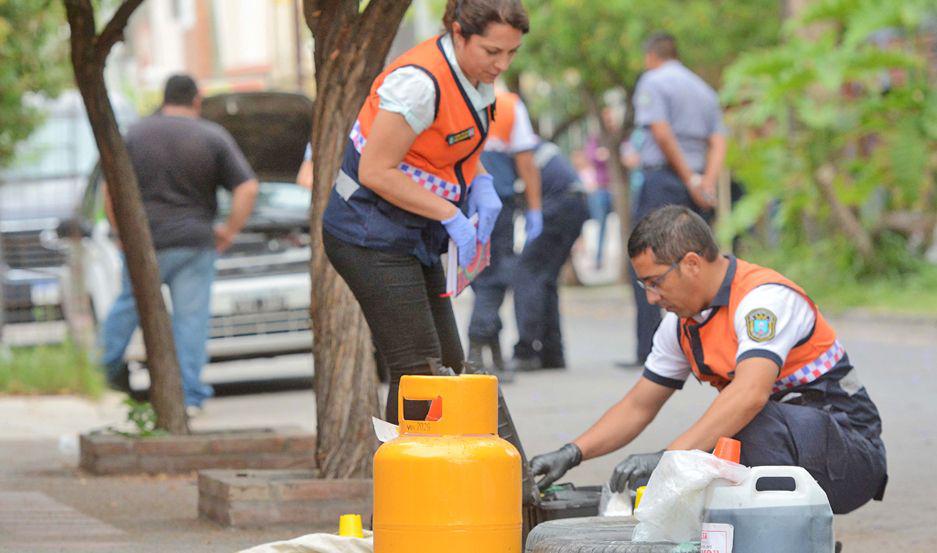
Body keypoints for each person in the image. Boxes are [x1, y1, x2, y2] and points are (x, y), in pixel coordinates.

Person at [530, 206, 887, 515]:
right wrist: (572, 453)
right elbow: (639, 405)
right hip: (792, 443)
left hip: (852, 453)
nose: (651, 298)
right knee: (712, 453)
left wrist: (670, 458)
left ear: (691, 264)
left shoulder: (763, 301)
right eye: (644, 286)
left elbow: (750, 395)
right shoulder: (681, 325)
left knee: (739, 431)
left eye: (655, 282)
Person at [321, 0, 529, 423]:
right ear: (458, 33)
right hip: (367, 232)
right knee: (418, 367)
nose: (501, 64)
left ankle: (432, 474)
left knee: (448, 362)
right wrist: (450, 215)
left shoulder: (475, 77)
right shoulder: (418, 83)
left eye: (511, 53)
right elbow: (376, 170)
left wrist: (481, 182)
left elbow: (452, 148)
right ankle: (408, 480)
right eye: (492, 52)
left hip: (412, 232)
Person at [101, 74, 259, 415]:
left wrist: (121, 233)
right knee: (190, 320)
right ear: (197, 100)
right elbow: (247, 188)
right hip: (193, 242)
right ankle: (189, 397)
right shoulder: (212, 136)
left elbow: (109, 189)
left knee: (127, 306)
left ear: (164, 97)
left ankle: (100, 376)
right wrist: (229, 230)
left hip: (144, 243)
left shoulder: (136, 133)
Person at [627, 32, 727, 368]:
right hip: (697, 186)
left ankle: (650, 350)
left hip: (665, 181)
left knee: (648, 263)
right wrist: (705, 182)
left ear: (651, 56)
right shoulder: (703, 89)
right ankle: (709, 349)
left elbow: (660, 131)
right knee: (697, 263)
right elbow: (718, 140)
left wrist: (686, 176)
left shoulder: (653, 81)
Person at [466, 90, 542, 377]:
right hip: (498, 204)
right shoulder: (509, 104)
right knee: (495, 279)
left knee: (477, 278)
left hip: (460, 204)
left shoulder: (451, 97)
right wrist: (535, 207)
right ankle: (476, 348)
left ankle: (492, 351)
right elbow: (526, 161)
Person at [509, 141, 589, 372]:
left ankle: (526, 351)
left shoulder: (513, 142)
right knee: (545, 278)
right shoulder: (532, 141)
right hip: (575, 203)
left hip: (559, 205)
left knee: (526, 274)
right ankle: (552, 353)